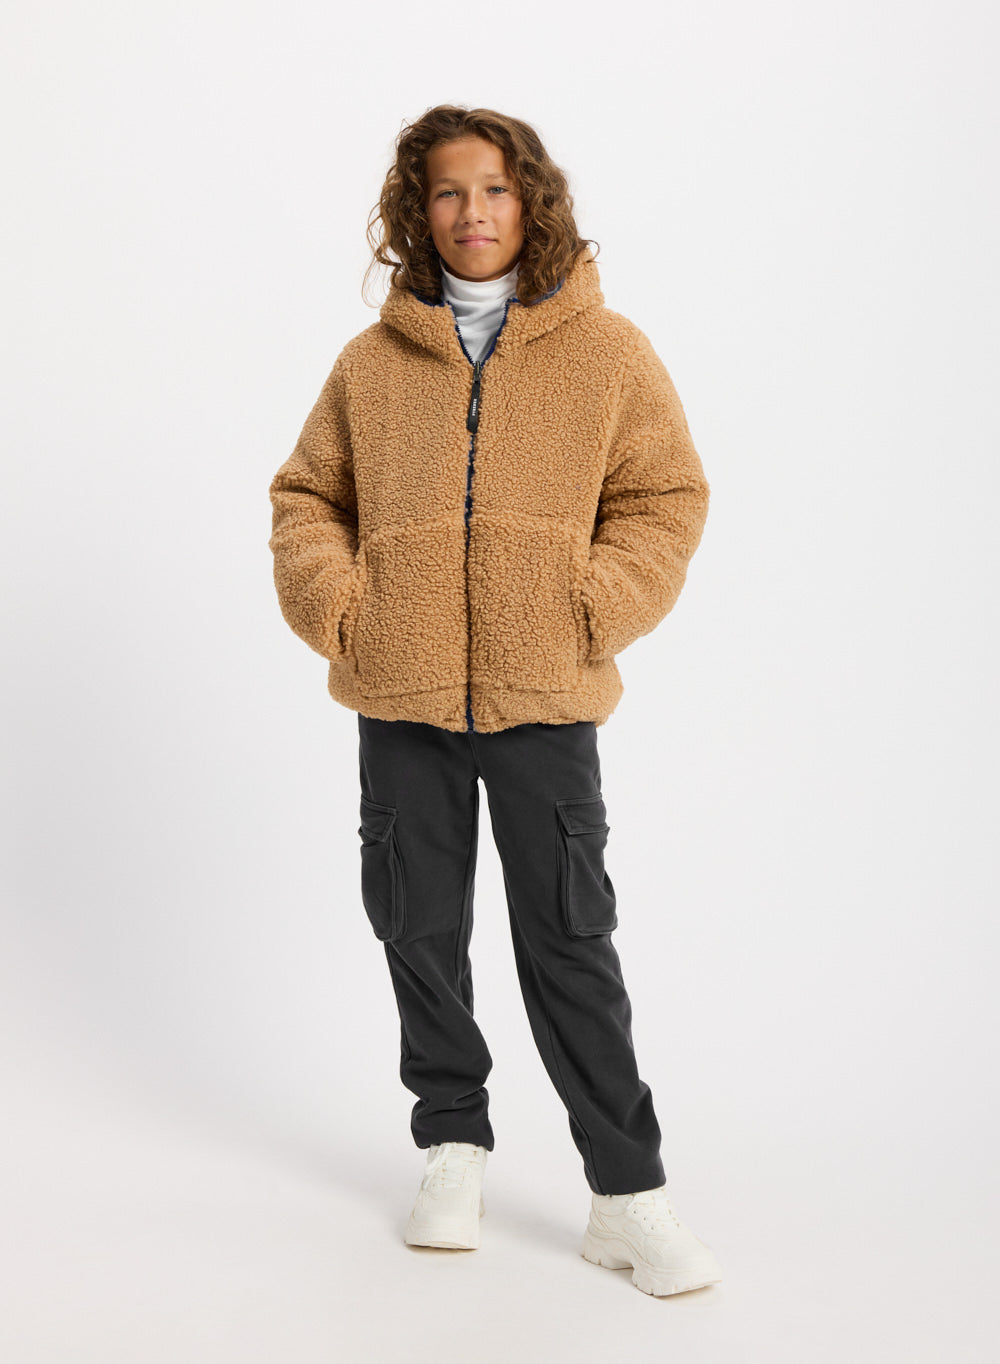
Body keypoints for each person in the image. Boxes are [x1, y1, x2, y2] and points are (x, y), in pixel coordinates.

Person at [267, 105, 722, 1297]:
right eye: (448, 192)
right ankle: (452, 1146)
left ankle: (626, 1191)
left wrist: (589, 605)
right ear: (417, 213)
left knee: (568, 936)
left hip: (543, 693)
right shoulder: (372, 364)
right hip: (401, 691)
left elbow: (664, 496)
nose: (473, 211)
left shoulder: (607, 352)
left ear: (532, 202)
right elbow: (307, 496)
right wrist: (347, 610)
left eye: (495, 189)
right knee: (416, 923)